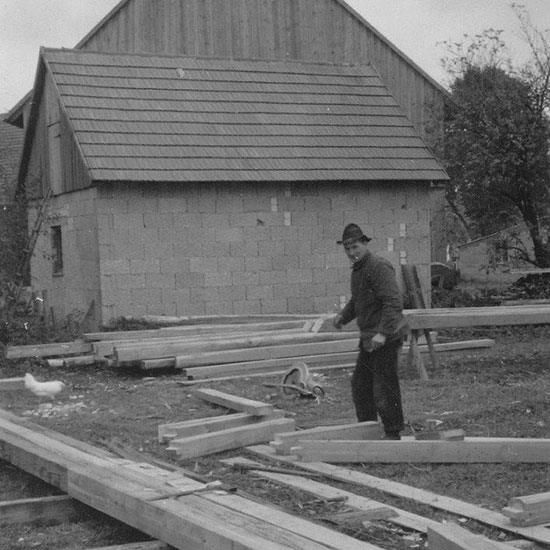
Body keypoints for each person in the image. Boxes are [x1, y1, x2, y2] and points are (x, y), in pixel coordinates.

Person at [333, 223, 407, 440]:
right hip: (368, 339)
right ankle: (367, 430)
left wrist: (383, 333)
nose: (352, 252)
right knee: (360, 386)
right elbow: (358, 300)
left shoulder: (377, 266)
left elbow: (393, 302)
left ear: (364, 244)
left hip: (385, 337)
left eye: (355, 247)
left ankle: (393, 432)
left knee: (383, 387)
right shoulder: (358, 270)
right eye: (347, 249)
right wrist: (343, 317)